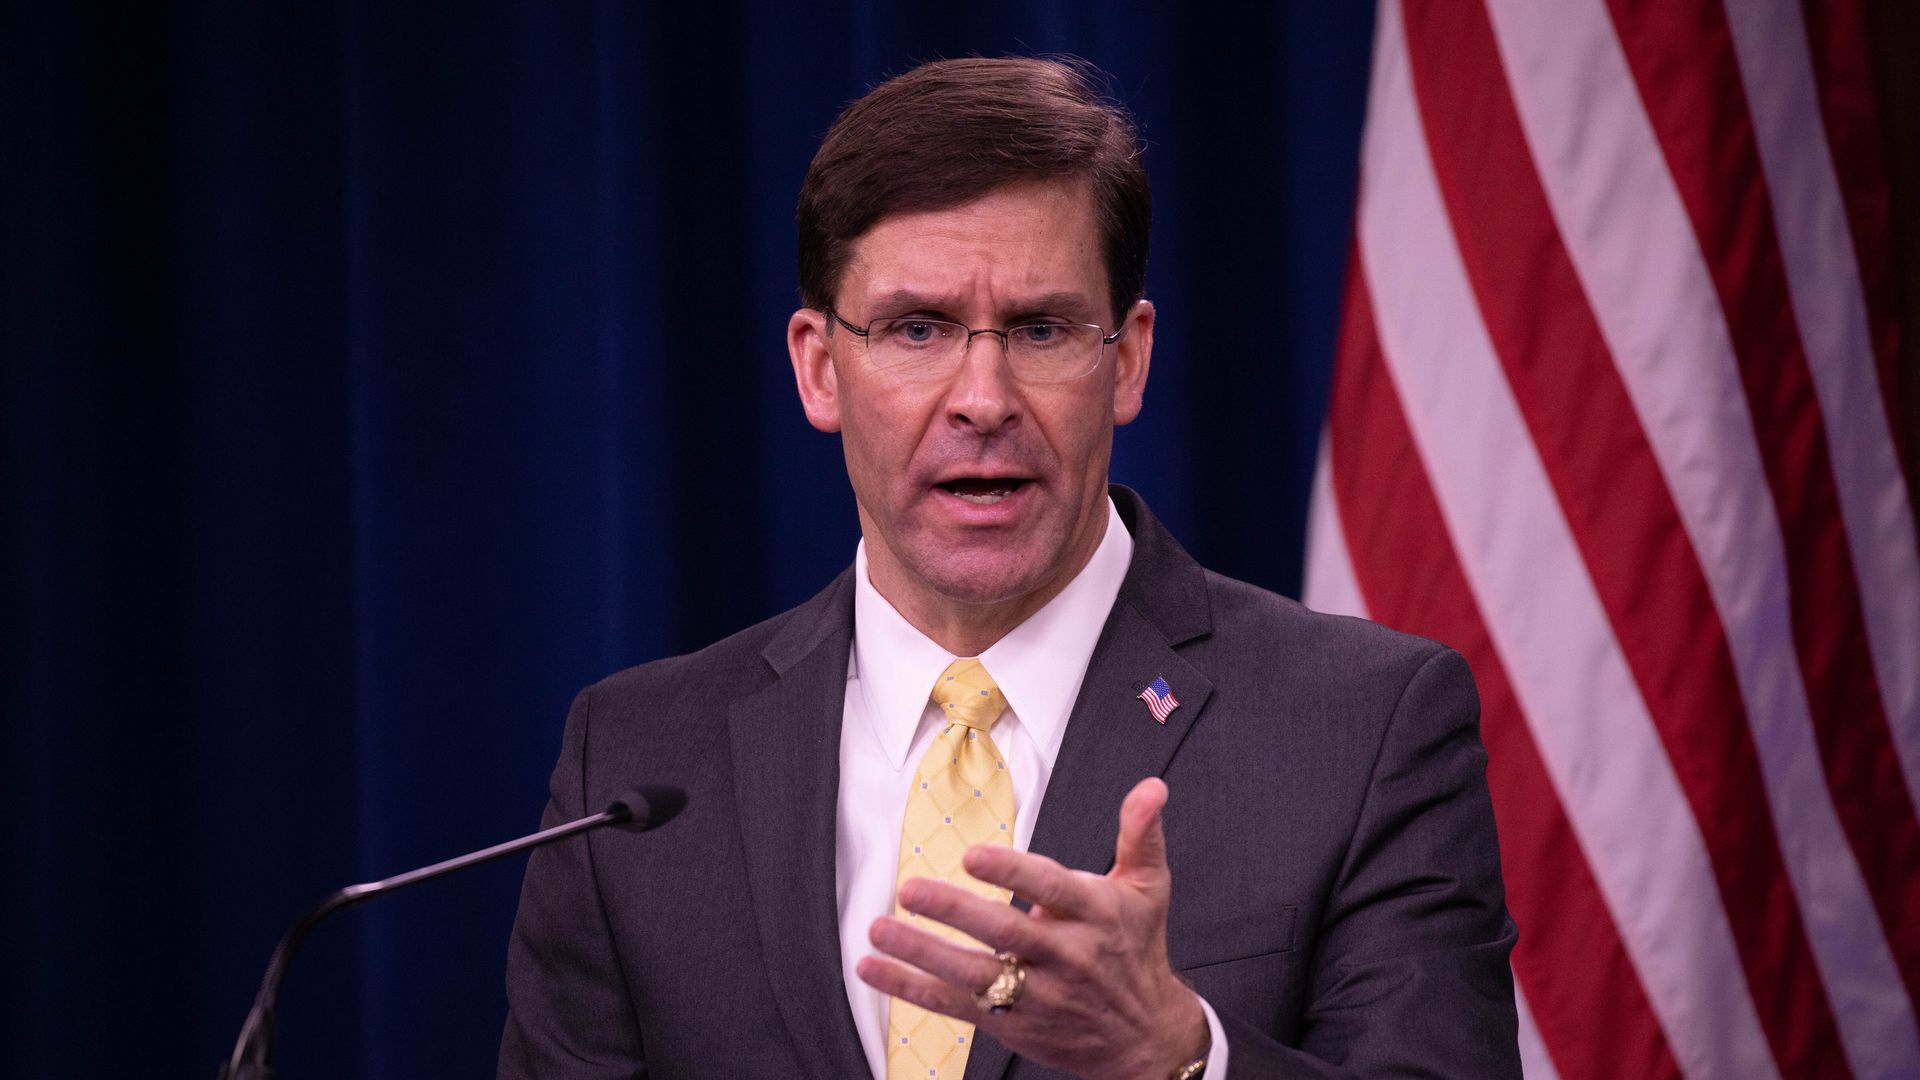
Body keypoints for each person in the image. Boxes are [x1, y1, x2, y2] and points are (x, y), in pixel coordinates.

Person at [500, 56, 1519, 1080]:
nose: (982, 397)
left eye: (1040, 329)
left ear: (1126, 360)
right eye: (917, 329)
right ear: (819, 367)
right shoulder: (634, 765)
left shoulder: (1362, 727)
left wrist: (1181, 1059)